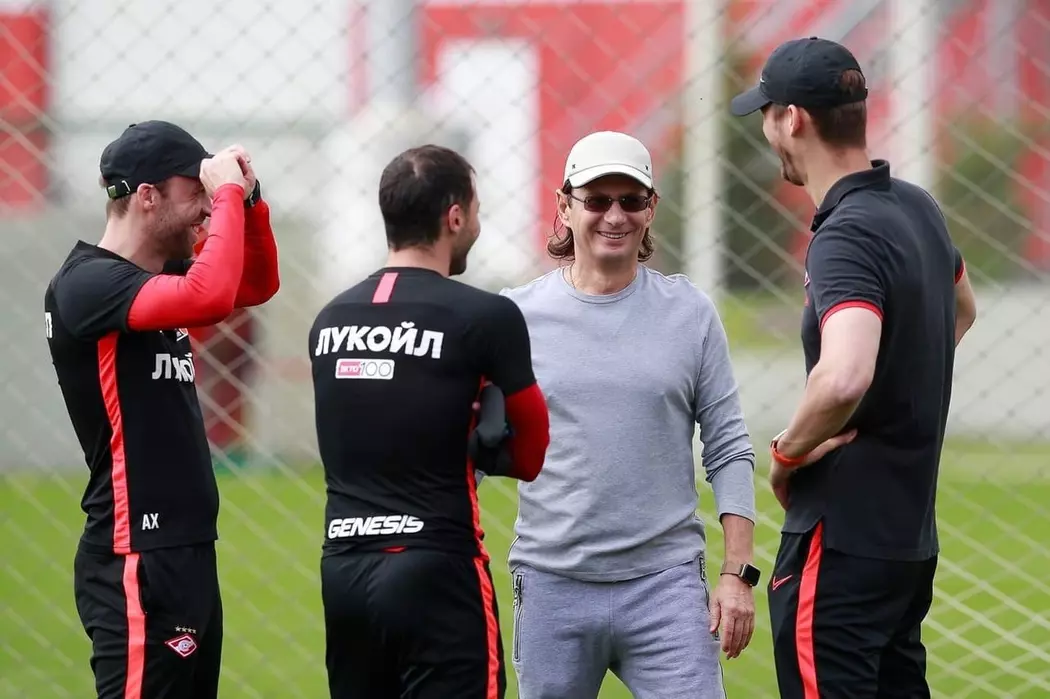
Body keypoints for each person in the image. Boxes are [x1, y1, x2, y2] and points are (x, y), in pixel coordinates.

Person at [730, 36, 978, 698]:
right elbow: (962, 309)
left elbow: (844, 375)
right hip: (906, 544)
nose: (767, 131)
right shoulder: (917, 207)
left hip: (839, 543)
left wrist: (786, 453)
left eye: (767, 115)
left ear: (792, 120)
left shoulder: (845, 234)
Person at [500, 130, 761, 699]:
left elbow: (728, 448)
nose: (614, 216)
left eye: (631, 200)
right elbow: (469, 445)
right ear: (564, 206)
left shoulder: (690, 313)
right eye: (596, 200)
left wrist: (737, 573)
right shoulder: (514, 318)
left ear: (651, 209)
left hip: (666, 587)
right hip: (551, 584)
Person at [44, 119, 280, 699]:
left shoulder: (155, 278)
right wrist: (228, 195)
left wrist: (249, 201)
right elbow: (211, 296)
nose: (206, 206)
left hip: (185, 548)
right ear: (147, 196)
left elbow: (255, 284)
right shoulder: (87, 283)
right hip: (135, 554)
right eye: (195, 190)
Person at [308, 144, 551, 699]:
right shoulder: (486, 317)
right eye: (477, 209)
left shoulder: (330, 319)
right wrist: (483, 425)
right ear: (455, 216)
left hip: (344, 571)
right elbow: (531, 455)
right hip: (438, 566)